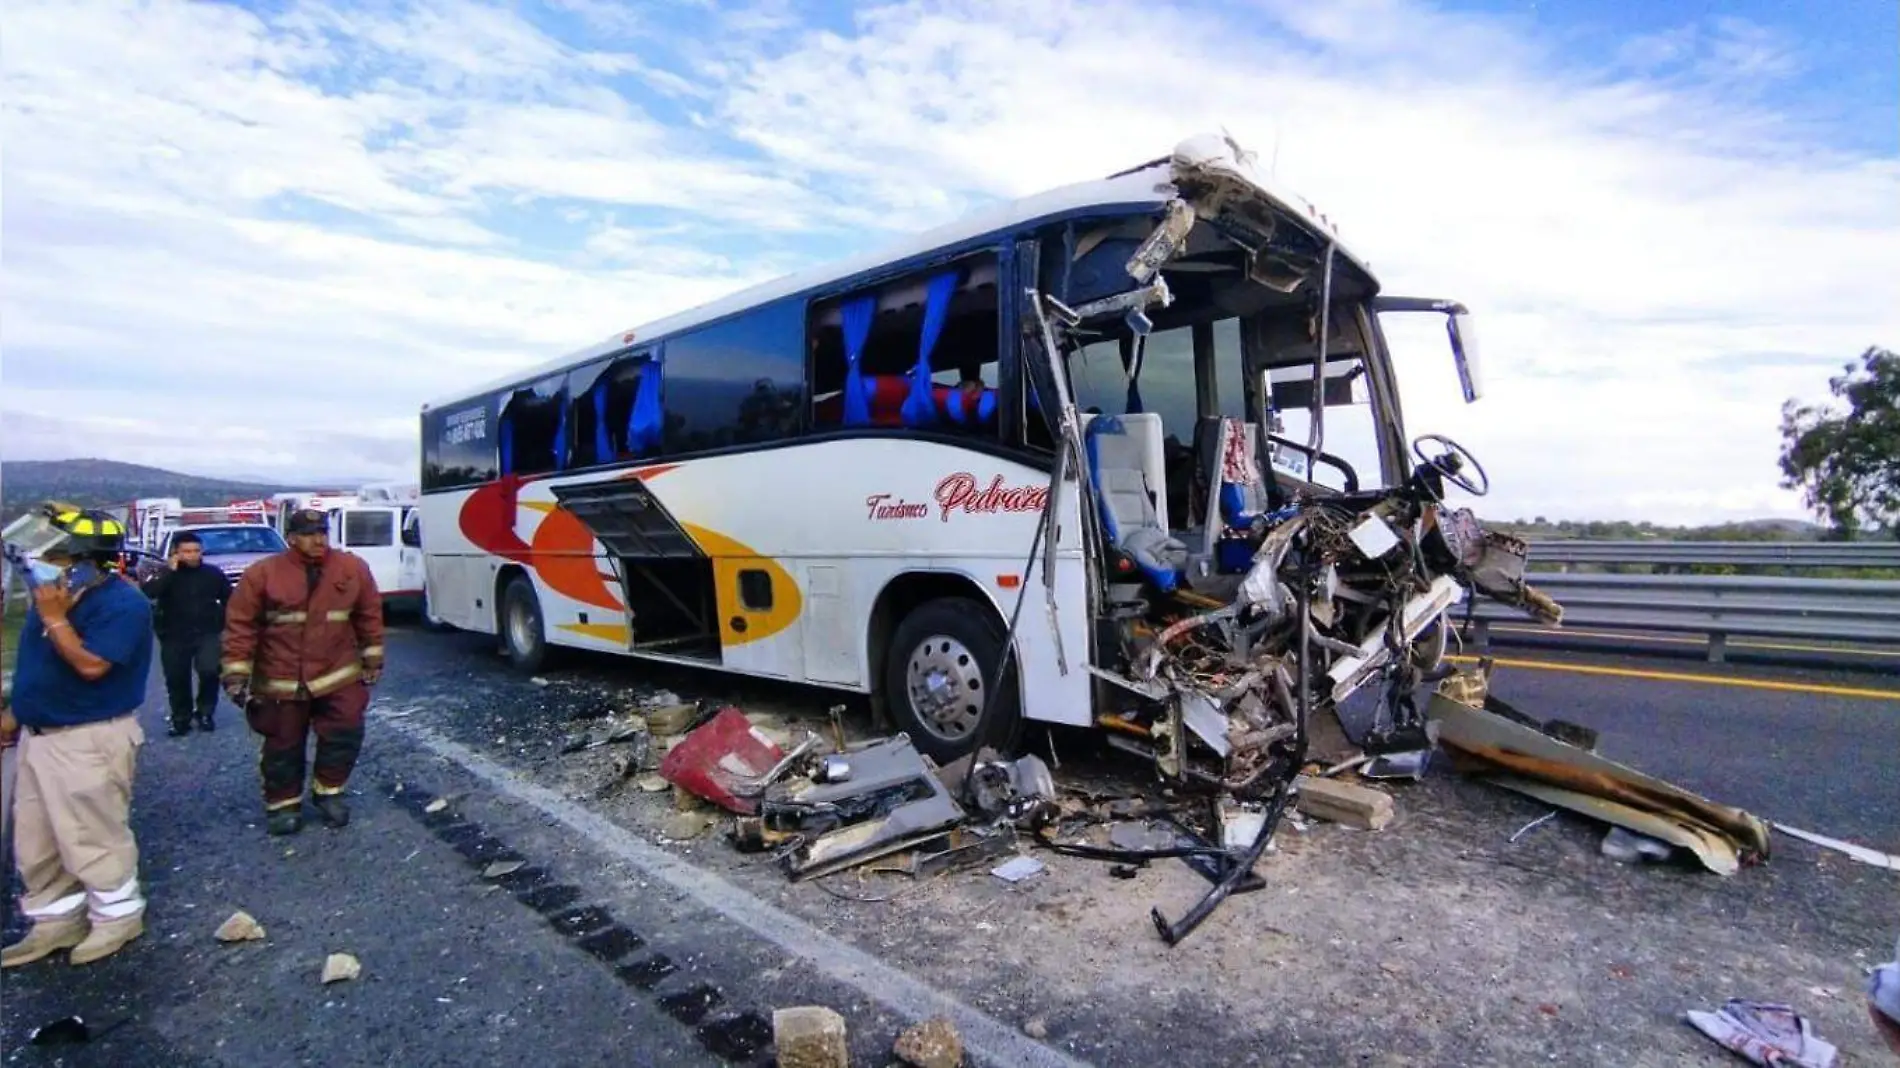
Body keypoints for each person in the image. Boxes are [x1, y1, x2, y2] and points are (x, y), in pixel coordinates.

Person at [0, 504, 151, 968]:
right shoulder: (57, 595)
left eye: (57, 555)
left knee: (93, 834)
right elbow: (38, 665)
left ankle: (117, 918)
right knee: (37, 837)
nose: (42, 563)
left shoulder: (123, 604)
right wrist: (14, 713)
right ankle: (55, 920)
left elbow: (90, 666)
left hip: (89, 738)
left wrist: (55, 620)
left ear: (85, 559)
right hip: (40, 736)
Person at [221, 508, 384, 836]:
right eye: (309, 535)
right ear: (292, 538)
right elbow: (241, 626)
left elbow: (369, 615)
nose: (318, 540)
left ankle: (329, 791)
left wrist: (372, 660)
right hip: (282, 678)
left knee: (345, 733)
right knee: (283, 743)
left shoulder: (352, 569)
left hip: (338, 673)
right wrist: (236, 676)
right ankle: (284, 804)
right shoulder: (262, 574)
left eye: (322, 533)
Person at [142, 531, 231, 736]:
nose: (192, 555)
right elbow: (150, 593)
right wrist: (169, 572)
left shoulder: (213, 574)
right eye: (187, 552)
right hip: (174, 633)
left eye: (196, 551)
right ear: (176, 552)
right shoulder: (165, 574)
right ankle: (181, 718)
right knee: (177, 678)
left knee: (210, 671)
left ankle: (205, 712)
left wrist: (227, 625)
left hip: (208, 631)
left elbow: (229, 599)